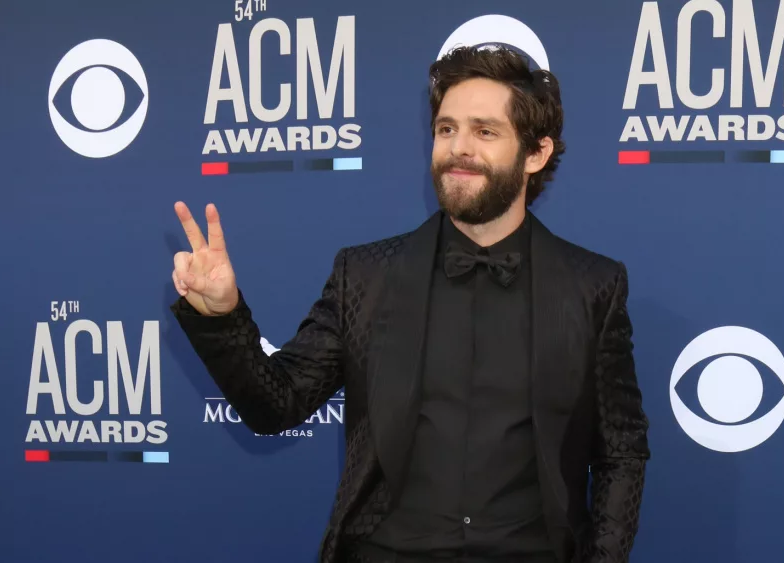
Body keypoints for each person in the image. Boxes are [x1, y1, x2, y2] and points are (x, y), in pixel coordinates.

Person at [169, 45, 650, 563]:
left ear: (535, 154)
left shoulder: (593, 285)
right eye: (447, 129)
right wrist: (220, 316)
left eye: (485, 132)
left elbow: (620, 450)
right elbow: (276, 404)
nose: (458, 148)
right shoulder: (366, 275)